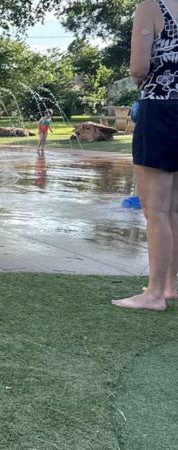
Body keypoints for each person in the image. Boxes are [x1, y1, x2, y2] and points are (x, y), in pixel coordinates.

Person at [113, 0, 178, 311]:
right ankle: (169, 285)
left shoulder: (151, 7)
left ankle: (153, 294)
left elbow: (139, 68)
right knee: (174, 210)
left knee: (157, 210)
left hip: (162, 109)